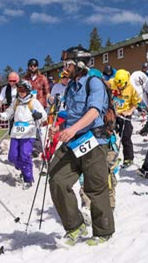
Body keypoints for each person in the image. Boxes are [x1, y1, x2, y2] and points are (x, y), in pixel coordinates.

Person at [50, 46, 115, 246]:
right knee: (57, 179)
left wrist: (73, 129)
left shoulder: (94, 83)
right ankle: (75, 225)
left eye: (67, 63)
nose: (64, 68)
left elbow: (94, 111)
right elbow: (69, 113)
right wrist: (59, 127)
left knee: (95, 187)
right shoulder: (70, 86)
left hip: (93, 141)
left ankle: (103, 231)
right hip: (73, 140)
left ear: (78, 64)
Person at [0, 80, 45, 189]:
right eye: (19, 90)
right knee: (12, 157)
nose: (21, 92)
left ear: (28, 91)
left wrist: (39, 115)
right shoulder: (16, 102)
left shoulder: (33, 102)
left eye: (23, 90)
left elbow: (44, 115)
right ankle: (24, 168)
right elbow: (8, 113)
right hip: (16, 133)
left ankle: (28, 178)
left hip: (28, 133)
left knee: (24, 155)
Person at [109, 69, 142, 169]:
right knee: (108, 135)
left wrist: (130, 112)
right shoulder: (111, 83)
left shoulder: (131, 88)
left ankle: (128, 158)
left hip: (125, 114)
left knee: (126, 136)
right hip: (112, 113)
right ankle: (109, 156)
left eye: (121, 85)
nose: (119, 87)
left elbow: (136, 102)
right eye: (117, 84)